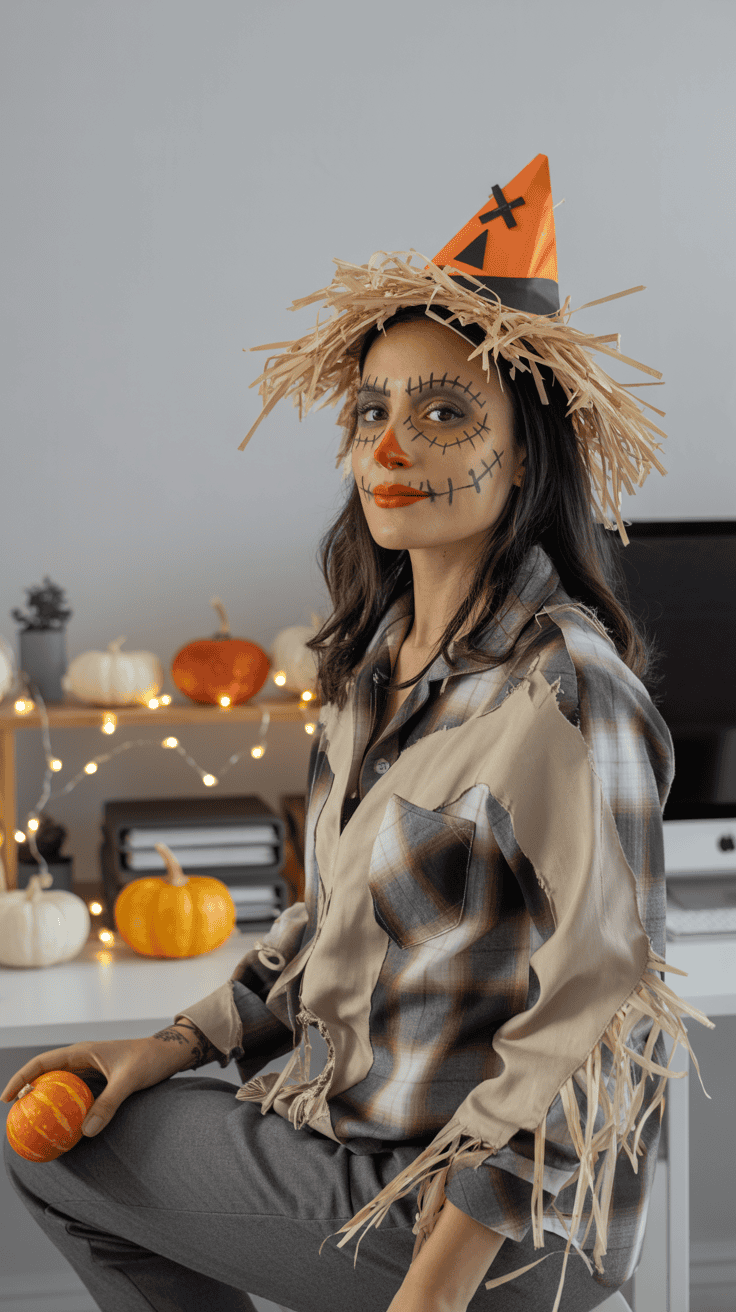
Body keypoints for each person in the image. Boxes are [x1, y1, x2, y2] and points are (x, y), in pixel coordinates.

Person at [3, 154, 712, 1312]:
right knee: (72, 1115)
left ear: (525, 451)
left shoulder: (563, 692)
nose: (392, 446)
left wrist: (430, 1292)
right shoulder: (369, 669)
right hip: (370, 1149)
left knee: (61, 1157)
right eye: (372, 411)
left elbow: (600, 1020)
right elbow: (329, 926)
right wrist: (168, 1045)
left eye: (444, 413)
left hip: (493, 1225)